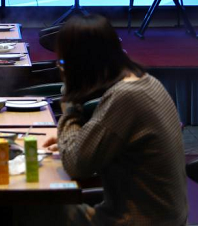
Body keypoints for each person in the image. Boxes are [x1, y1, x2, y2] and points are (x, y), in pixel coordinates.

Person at [39, 14, 188, 226]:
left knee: (31, 207)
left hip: (138, 221)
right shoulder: (145, 82)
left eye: (63, 63)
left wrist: (70, 104)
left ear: (80, 64)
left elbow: (75, 164)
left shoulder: (125, 97)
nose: (61, 69)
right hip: (167, 218)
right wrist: (70, 140)